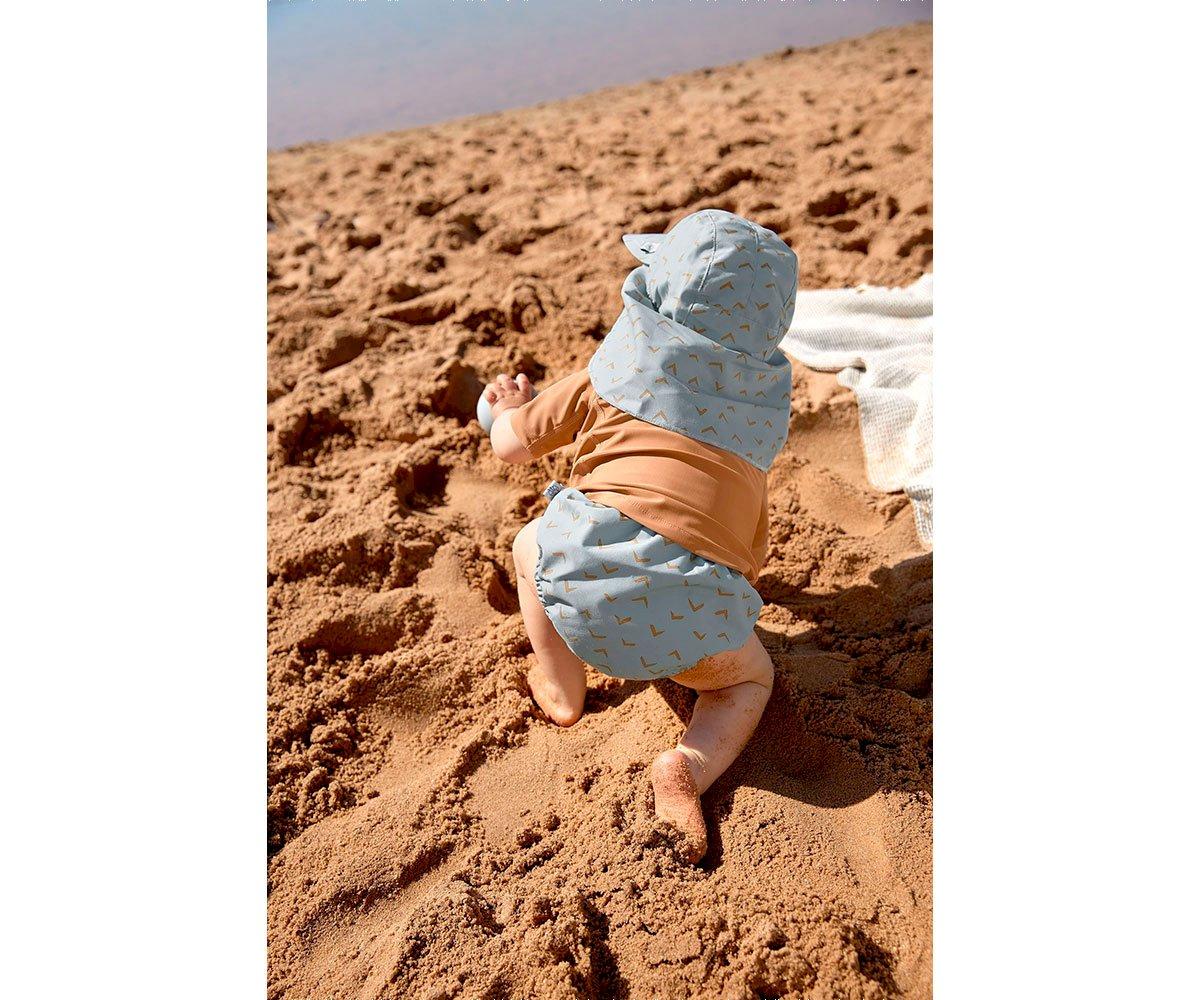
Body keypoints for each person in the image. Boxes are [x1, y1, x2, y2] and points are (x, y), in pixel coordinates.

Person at [483, 210, 797, 862]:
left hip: (578, 583)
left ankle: (562, 689)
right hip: (693, 617)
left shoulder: (612, 372)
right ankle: (688, 766)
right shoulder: (757, 420)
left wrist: (509, 409)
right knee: (745, 682)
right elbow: (745, 545)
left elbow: (511, 445)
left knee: (530, 543)